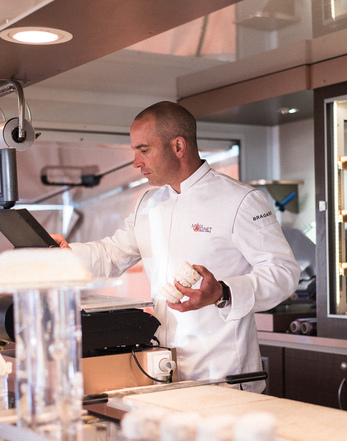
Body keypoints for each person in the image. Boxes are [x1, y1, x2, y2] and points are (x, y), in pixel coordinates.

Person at [51, 101, 301, 393]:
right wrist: (68, 255)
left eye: (144, 150)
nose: (136, 162)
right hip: (162, 369)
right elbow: (112, 254)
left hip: (222, 374)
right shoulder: (149, 204)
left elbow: (284, 273)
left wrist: (224, 292)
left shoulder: (241, 200)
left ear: (178, 146)